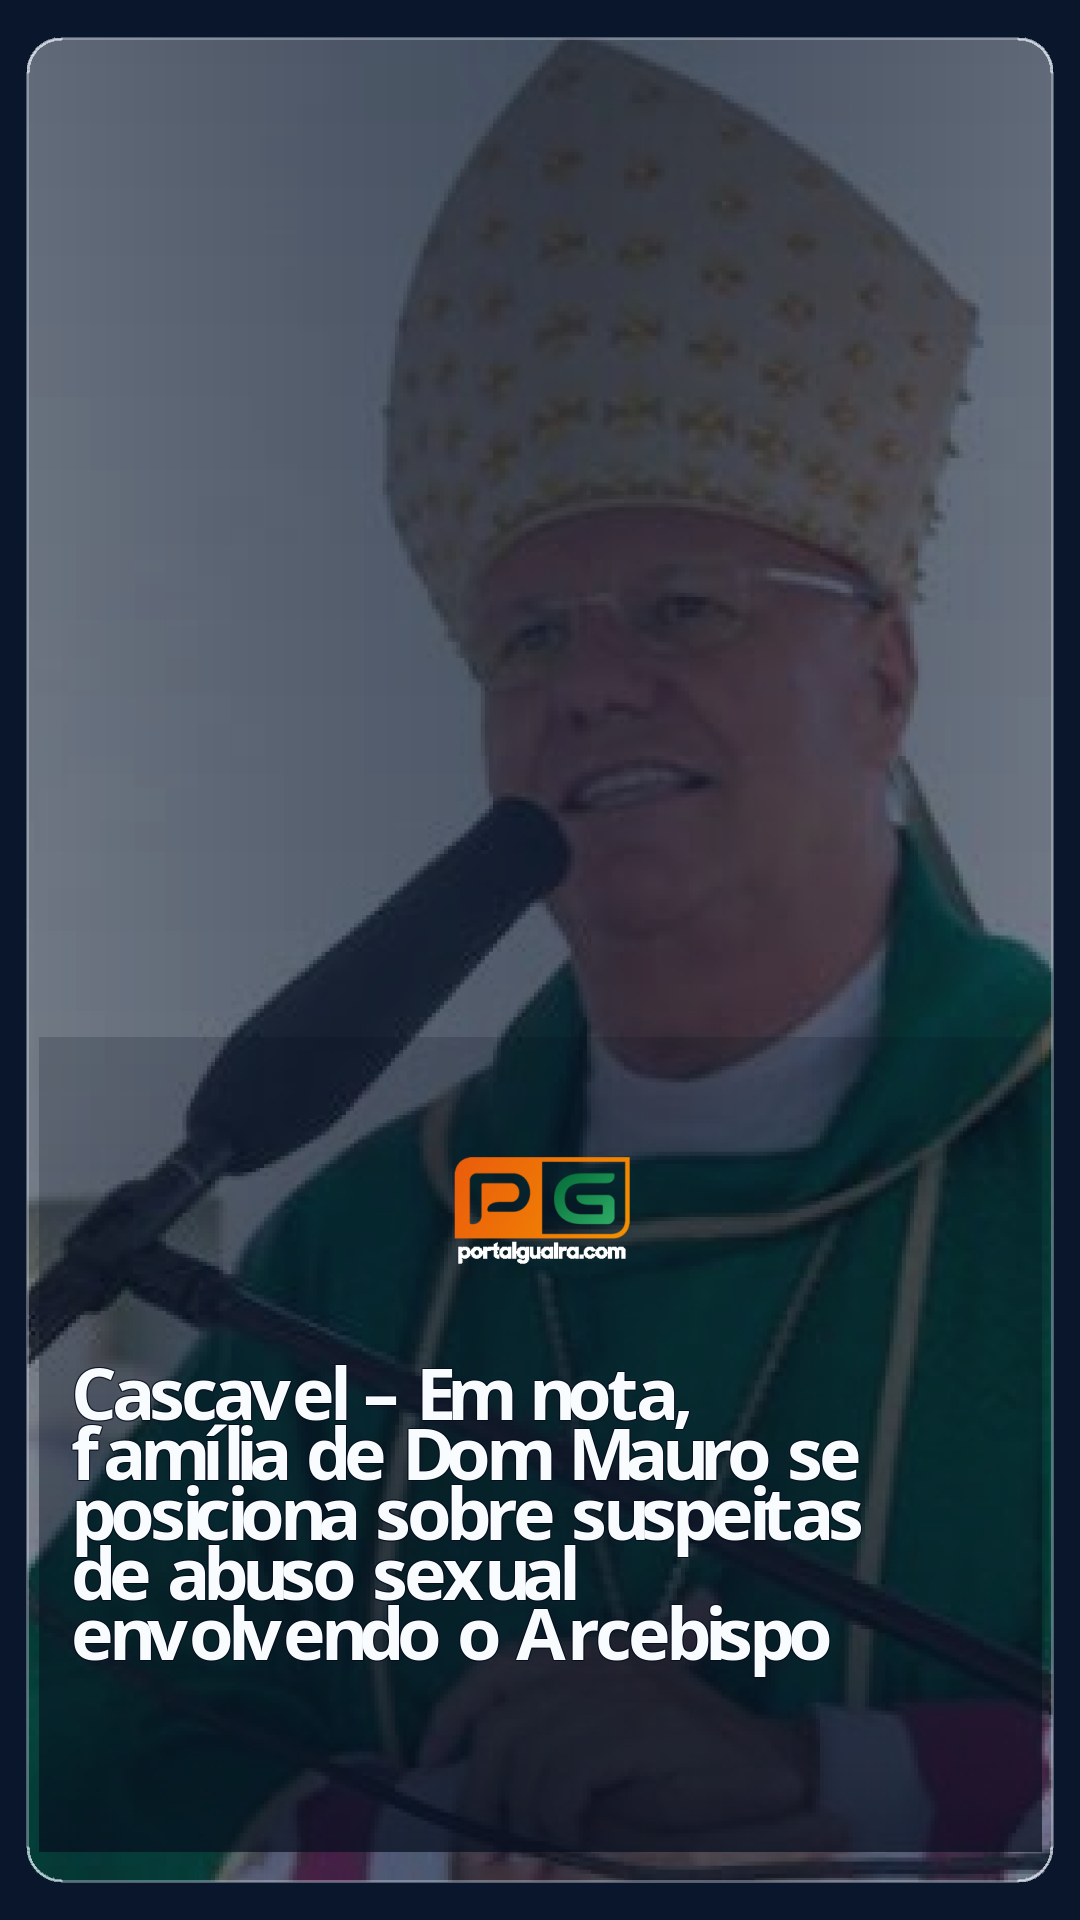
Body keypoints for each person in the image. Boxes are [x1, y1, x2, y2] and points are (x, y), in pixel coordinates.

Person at [31, 39, 1049, 1882]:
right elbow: (76, 1762)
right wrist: (393, 1843)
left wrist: (859, 1788)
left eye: (683, 610)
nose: (590, 686)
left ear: (885, 675)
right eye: (527, 641)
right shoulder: (377, 1246)